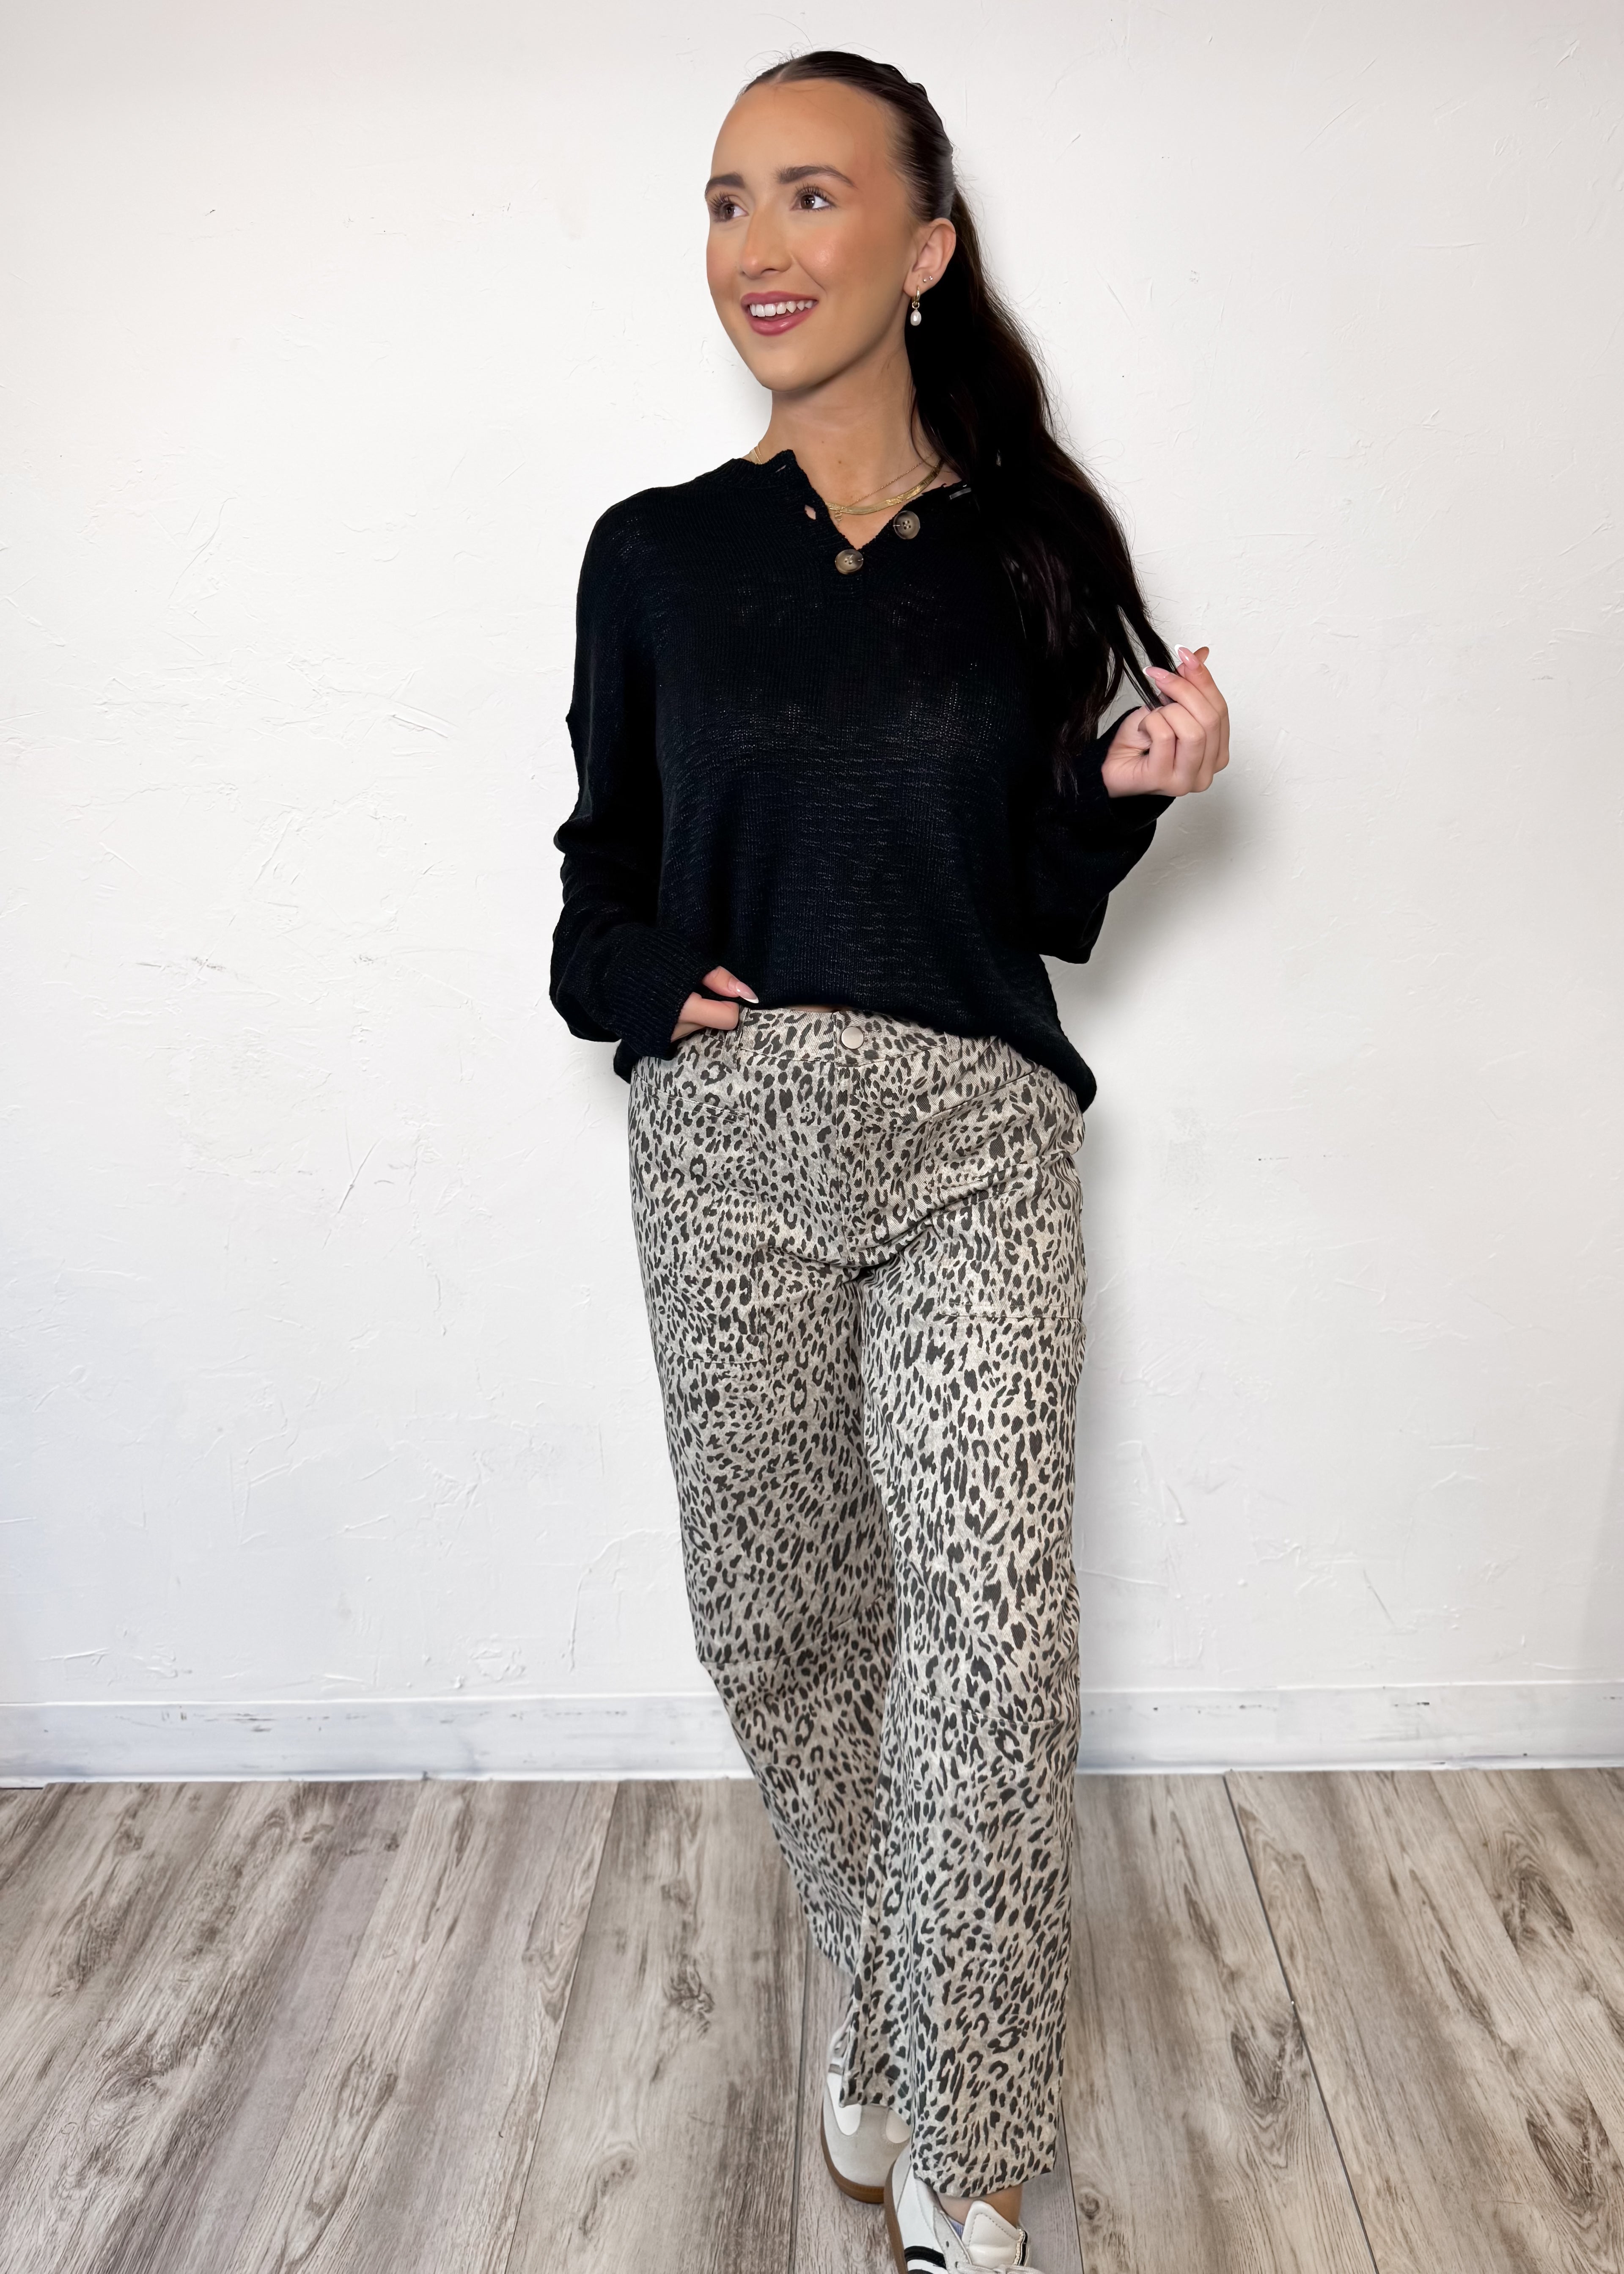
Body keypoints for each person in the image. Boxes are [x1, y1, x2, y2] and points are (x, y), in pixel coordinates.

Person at [549, 48, 1228, 2274]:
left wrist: (1127, 792)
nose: (758, 244)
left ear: (926, 247)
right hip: (732, 1135)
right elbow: (596, 893)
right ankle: (903, 2000)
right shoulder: (653, 557)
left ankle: (972, 2153)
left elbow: (1037, 901)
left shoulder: (1036, 553)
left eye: (812, 195)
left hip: (975, 1142)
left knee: (992, 1637)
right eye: (727, 199)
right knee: (779, 1622)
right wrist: (649, 978)